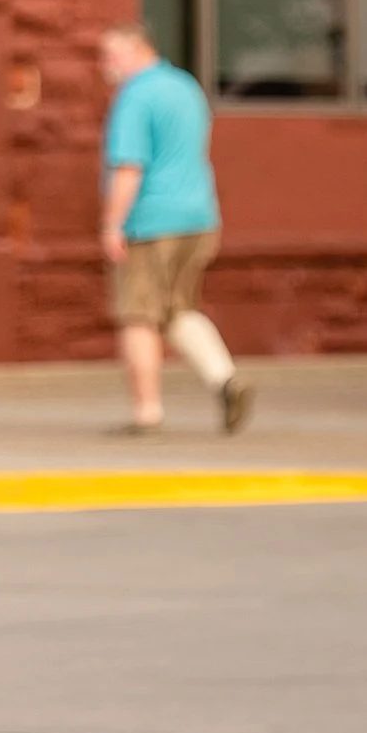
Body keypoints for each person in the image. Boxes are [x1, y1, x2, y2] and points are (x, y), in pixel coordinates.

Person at [96, 23, 250, 436]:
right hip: (199, 217)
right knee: (179, 309)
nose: (104, 66)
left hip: (150, 222)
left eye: (111, 55)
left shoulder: (135, 96)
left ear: (137, 49)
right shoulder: (185, 87)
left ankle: (147, 413)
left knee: (138, 316)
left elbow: (129, 166)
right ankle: (226, 379)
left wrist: (113, 223)